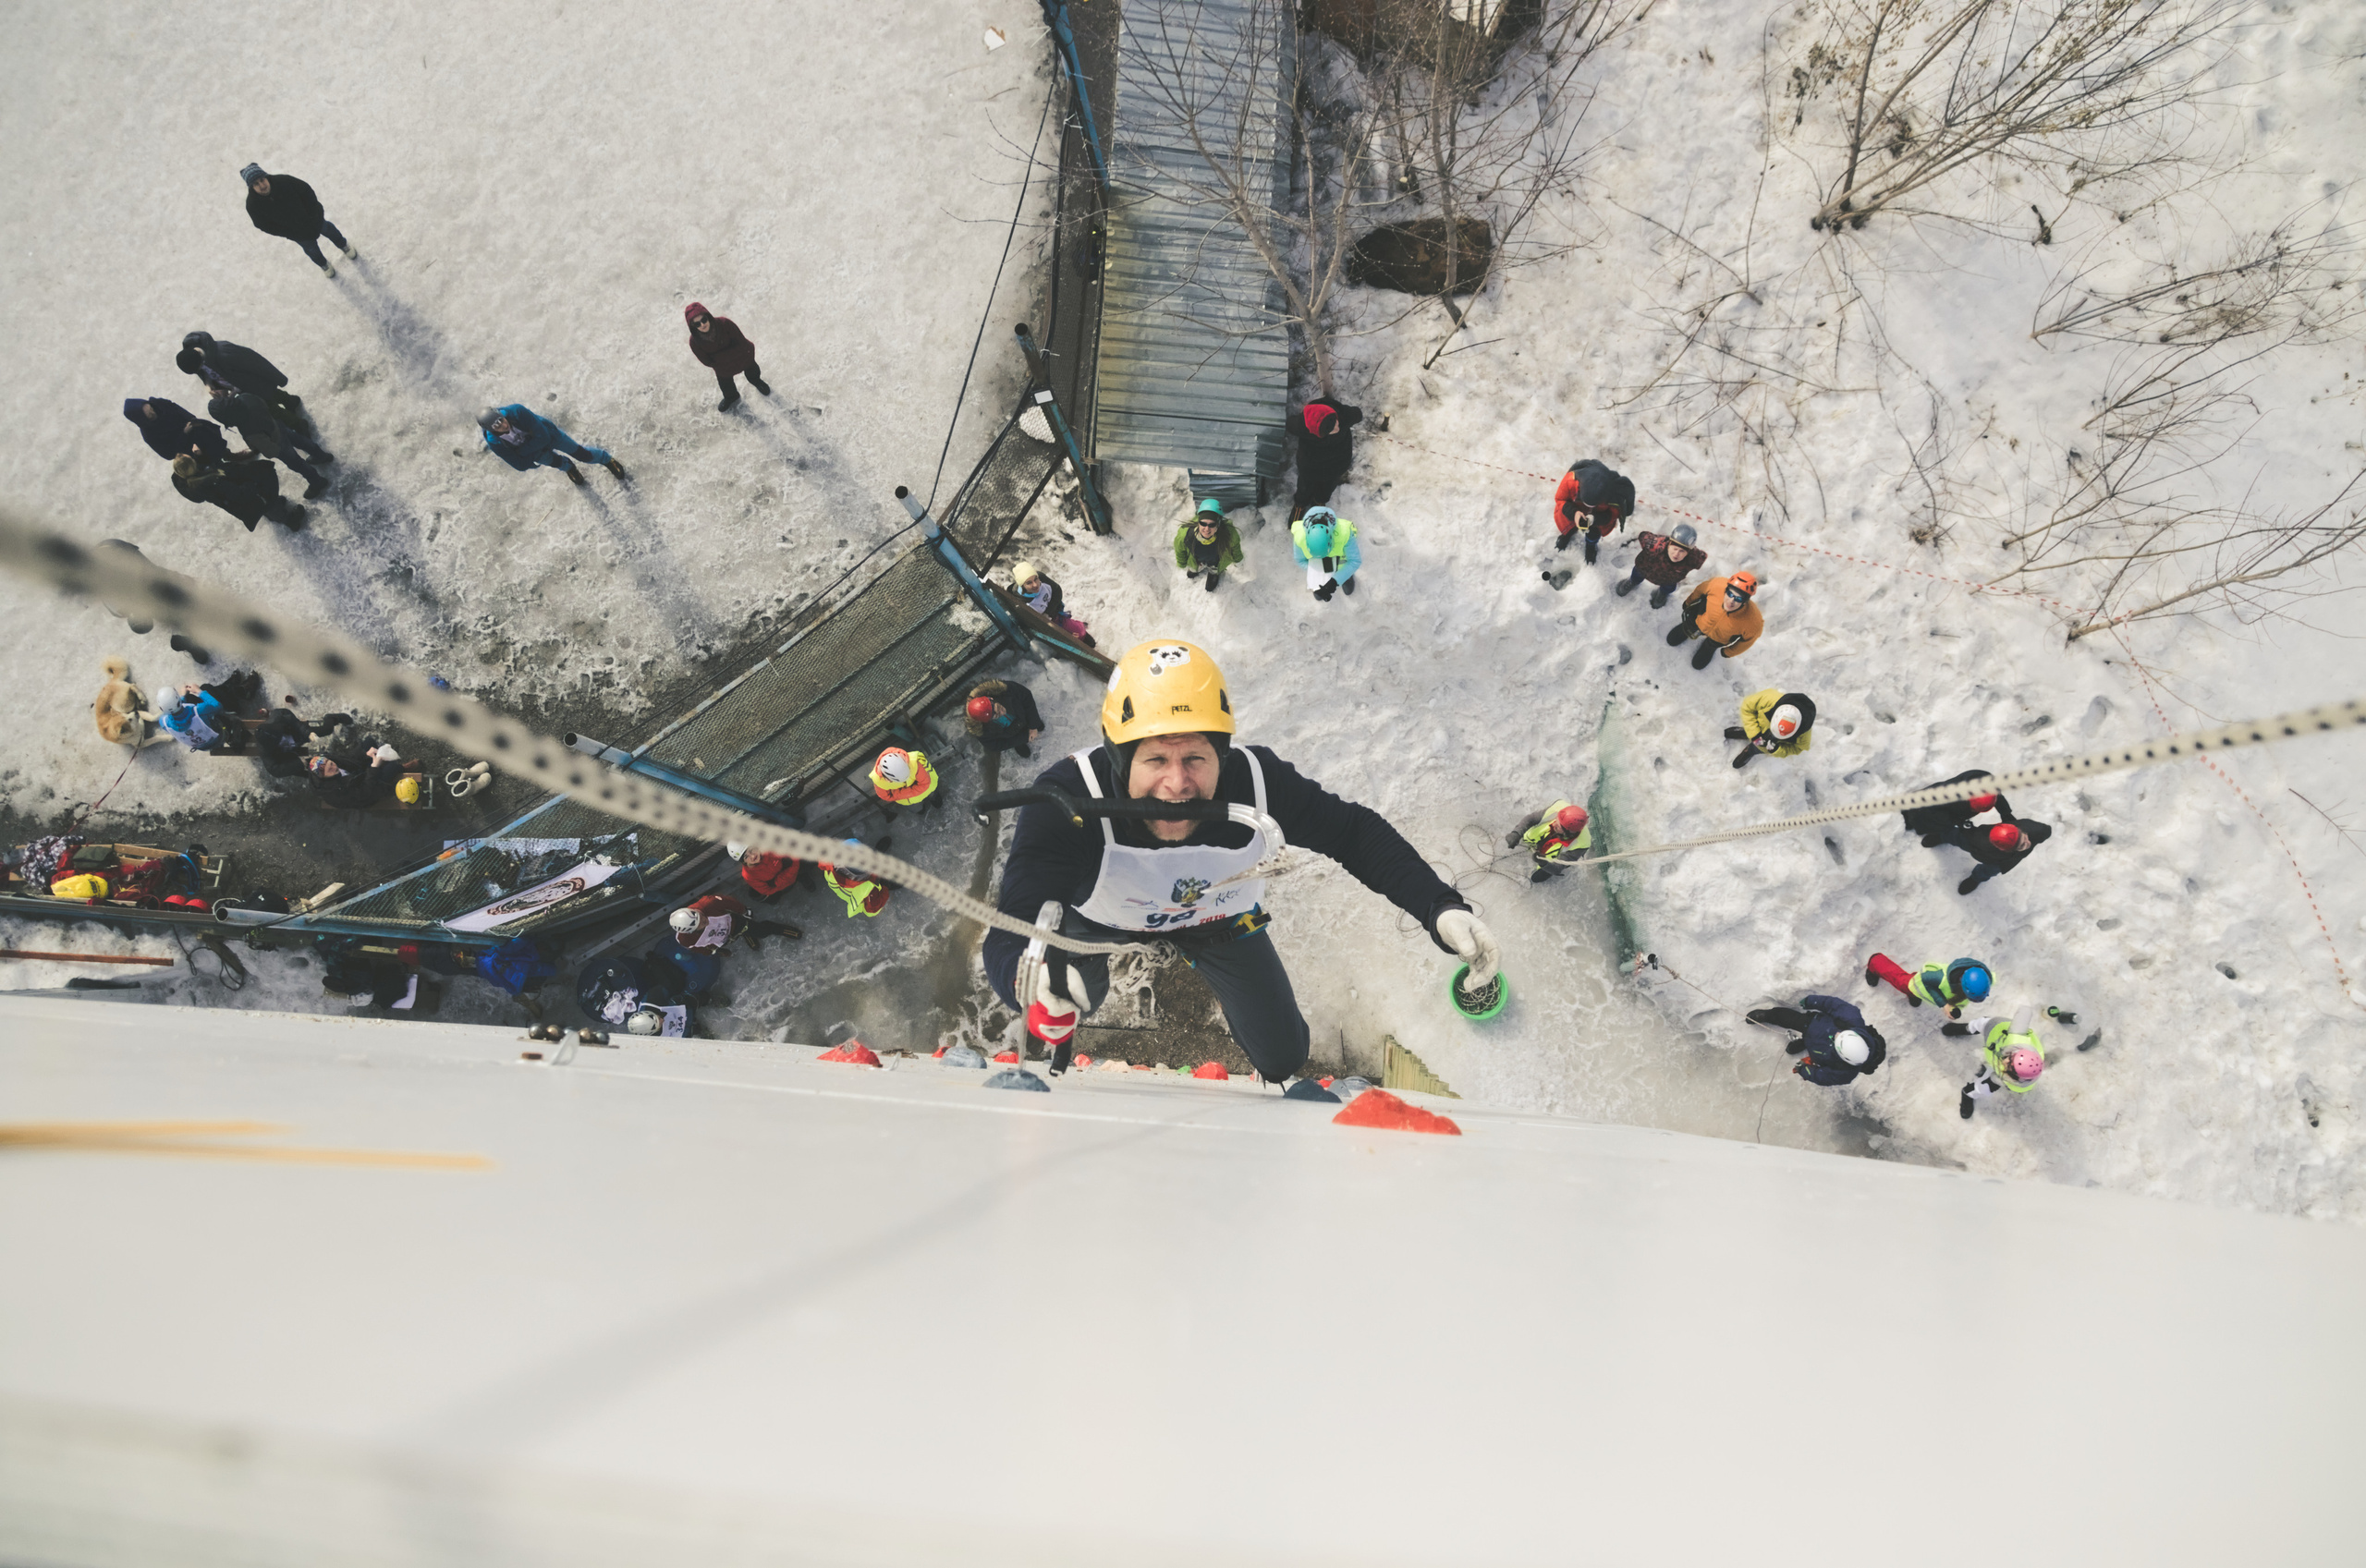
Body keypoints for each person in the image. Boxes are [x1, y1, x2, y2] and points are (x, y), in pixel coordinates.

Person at [982, 639, 1501, 1083]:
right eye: (1156, 759)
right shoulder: (1069, 800)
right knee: (1069, 1000)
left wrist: (1437, 906)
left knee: (1283, 1057)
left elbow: (1353, 832)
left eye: (1196, 758)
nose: (1177, 785)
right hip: (1099, 924)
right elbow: (1016, 916)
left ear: (1222, 755)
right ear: (1121, 758)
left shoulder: (1256, 783)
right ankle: (1077, 981)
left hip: (1217, 921)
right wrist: (1025, 976)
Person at [206, 384, 331, 496]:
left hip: (278, 444)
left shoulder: (248, 430)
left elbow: (269, 451)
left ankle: (317, 482)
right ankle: (321, 456)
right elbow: (263, 404)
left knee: (298, 464)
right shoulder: (245, 397)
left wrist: (276, 451)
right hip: (277, 425)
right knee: (302, 441)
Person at [178, 332, 311, 434]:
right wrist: (208, 384)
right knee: (273, 394)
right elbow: (203, 373)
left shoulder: (225, 353)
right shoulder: (194, 357)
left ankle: (299, 425)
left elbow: (256, 363)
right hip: (241, 386)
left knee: (272, 410)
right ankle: (291, 401)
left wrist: (279, 379)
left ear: (200, 359)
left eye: (199, 367)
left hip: (253, 385)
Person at [1747, 993, 1888, 1087]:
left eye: (1837, 1040)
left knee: (1814, 1048)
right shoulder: (1852, 1018)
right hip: (1814, 1025)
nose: (1838, 1034)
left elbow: (1823, 1077)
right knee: (1788, 1018)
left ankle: (1806, 1043)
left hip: (1820, 1051)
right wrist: (1812, 1001)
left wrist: (1805, 1070)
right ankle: (1767, 1015)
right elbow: (1832, 1004)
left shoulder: (1845, 1073)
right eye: (1842, 1034)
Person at [240, 164, 355, 278]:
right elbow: (263, 225)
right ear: (251, 187)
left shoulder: (283, 181)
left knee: (329, 230)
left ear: (266, 177)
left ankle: (343, 245)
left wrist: (314, 215)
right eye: (256, 184)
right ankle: (323, 264)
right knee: (311, 250)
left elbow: (307, 191)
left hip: (314, 219)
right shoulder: (252, 205)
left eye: (262, 180)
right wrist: (289, 233)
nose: (262, 185)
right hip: (297, 233)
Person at [479, 405, 629, 487]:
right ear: (491, 430)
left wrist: (523, 451)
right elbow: (520, 465)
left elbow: (543, 436)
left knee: (583, 455)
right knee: (558, 463)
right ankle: (569, 467)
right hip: (536, 452)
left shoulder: (517, 411)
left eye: (501, 420)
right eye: (497, 426)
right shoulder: (494, 442)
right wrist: (531, 450)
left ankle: (607, 459)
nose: (503, 425)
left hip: (550, 436)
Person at [171, 451, 305, 531]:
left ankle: (272, 508)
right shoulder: (212, 482)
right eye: (191, 459)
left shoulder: (190, 481)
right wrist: (252, 483)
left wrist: (200, 456)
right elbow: (241, 495)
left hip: (240, 497)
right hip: (251, 496)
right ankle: (290, 521)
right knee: (267, 503)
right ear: (192, 466)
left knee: (267, 504)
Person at [1948, 1014, 2045, 1117]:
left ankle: (1968, 1093)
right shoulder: (2016, 1036)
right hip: (1996, 1030)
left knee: (1984, 1087)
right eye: (2011, 1057)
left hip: (1997, 1064)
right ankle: (1968, 1028)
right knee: (1981, 1024)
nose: (2005, 1061)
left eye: (2010, 1066)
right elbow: (2024, 1014)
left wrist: (1996, 1080)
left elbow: (2000, 1081)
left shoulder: (2019, 1083)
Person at [1667, 571, 1762, 670]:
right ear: (1726, 590)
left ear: (1745, 602)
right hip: (1700, 620)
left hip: (1719, 638)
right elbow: (1700, 590)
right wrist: (1689, 602)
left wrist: (1729, 652)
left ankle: (1709, 647)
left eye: (1738, 599)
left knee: (1709, 649)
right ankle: (1687, 629)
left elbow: (1748, 641)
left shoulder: (1753, 621)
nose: (1731, 601)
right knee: (1688, 627)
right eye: (1730, 594)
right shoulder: (1716, 585)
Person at [686, 302, 770, 411]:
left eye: (704, 320)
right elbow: (706, 360)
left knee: (752, 370)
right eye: (697, 324)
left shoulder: (724, 323)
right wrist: (722, 360)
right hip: (723, 367)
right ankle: (731, 397)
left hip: (742, 356)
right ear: (693, 326)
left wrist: (719, 357)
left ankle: (756, 381)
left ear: (708, 317)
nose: (702, 325)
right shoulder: (694, 341)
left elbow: (741, 342)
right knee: (725, 385)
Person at [1552, 458, 1636, 563]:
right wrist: (1574, 513)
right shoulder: (1570, 481)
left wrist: (1594, 519)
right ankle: (1567, 535)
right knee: (1570, 525)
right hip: (1574, 510)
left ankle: (1590, 546)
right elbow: (1561, 499)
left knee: (1594, 533)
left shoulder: (1614, 495)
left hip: (1598, 519)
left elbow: (1612, 515)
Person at [1290, 399, 1363, 520]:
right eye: (1329, 430)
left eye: (1335, 421)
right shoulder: (1302, 426)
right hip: (1311, 468)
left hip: (1336, 466)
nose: (1337, 428)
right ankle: (1300, 504)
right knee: (1305, 487)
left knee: (1327, 488)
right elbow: (1290, 424)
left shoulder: (1343, 415)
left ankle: (1319, 501)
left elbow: (1357, 414)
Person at [1942, 819, 2053, 896]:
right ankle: (1942, 836)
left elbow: (2046, 831)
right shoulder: (1982, 840)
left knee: (1989, 870)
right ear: (2006, 850)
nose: (2028, 844)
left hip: (2005, 862)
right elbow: (1970, 833)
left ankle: (1975, 879)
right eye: (2021, 846)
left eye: (2025, 838)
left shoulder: (2036, 830)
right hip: (1980, 849)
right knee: (1961, 839)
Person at [1863, 953, 1993, 1017]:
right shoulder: (1940, 978)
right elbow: (1925, 981)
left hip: (1928, 985)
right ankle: (1876, 962)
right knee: (1900, 981)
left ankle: (1914, 995)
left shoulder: (1980, 977)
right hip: (1920, 982)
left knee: (1915, 989)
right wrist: (1944, 1004)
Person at [1900, 768, 2016, 841]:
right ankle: (1910, 819)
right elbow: (1933, 811)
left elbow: (1997, 797)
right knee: (1922, 817)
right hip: (1928, 807)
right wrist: (1957, 821)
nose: (1976, 812)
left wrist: (2006, 813)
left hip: (1955, 811)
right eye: (1976, 809)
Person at [1613, 522, 1706, 607]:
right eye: (1675, 549)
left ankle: (1662, 593)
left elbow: (1702, 557)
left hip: (1668, 579)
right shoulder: (1654, 545)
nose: (1676, 554)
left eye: (1682, 551)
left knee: (1669, 588)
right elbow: (1643, 536)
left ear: (1688, 553)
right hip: (1645, 569)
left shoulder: (1692, 559)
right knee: (1637, 575)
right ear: (1669, 544)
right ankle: (1633, 581)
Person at [668, 891, 799, 950]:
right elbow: (697, 947)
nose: (704, 920)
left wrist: (743, 911)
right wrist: (714, 951)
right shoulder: (685, 939)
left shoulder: (709, 903)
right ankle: (747, 935)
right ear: (691, 931)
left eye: (700, 916)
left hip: (736, 924)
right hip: (723, 938)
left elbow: (729, 902)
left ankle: (777, 929)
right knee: (742, 934)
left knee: (761, 932)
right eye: (700, 924)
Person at [1726, 689, 1816, 770]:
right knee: (1751, 730)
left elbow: (1796, 749)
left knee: (1758, 748)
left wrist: (1777, 750)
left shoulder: (1804, 736)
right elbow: (1747, 707)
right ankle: (1747, 733)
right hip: (1759, 727)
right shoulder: (1769, 699)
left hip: (1769, 745)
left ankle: (1750, 750)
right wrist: (1755, 734)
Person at [1506, 800, 1592, 883]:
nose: (1553, 824)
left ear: (1567, 833)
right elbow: (1531, 819)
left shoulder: (1582, 844)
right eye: (1556, 820)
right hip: (1539, 838)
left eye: (1557, 827)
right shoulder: (1559, 808)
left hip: (1551, 860)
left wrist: (1543, 863)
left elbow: (1558, 867)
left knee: (1537, 878)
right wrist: (1516, 833)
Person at [124, 397, 229, 465]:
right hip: (189, 449)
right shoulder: (149, 435)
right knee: (211, 461)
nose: (153, 412)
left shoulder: (157, 403)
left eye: (150, 408)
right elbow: (168, 454)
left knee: (216, 444)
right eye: (149, 414)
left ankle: (228, 455)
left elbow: (174, 407)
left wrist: (191, 418)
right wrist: (184, 434)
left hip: (196, 430)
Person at [1011, 562, 1093, 645]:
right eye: (1029, 583)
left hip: (1056, 614)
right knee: (1083, 640)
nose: (1035, 584)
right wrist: (1066, 636)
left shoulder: (1041, 578)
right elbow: (1031, 625)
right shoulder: (1020, 602)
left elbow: (1057, 590)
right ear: (1022, 586)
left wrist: (1048, 613)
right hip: (1048, 627)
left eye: (1036, 579)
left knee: (1088, 640)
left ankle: (1076, 625)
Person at [1291, 505, 1361, 602]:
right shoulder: (1299, 538)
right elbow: (1300, 560)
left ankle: (1346, 576)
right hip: (1322, 562)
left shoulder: (1345, 533)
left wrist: (1334, 582)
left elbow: (1354, 561)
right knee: (1320, 591)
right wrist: (1317, 573)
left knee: (1344, 564)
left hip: (1341, 555)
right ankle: (1329, 576)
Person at [1174, 498, 1244, 593]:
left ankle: (1213, 572)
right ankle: (1197, 567)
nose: (1207, 529)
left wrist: (1238, 559)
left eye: (1212, 524)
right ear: (1198, 523)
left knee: (1214, 566)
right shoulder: (1186, 535)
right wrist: (1182, 563)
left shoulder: (1229, 534)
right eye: (1203, 523)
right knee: (1194, 566)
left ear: (1218, 524)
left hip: (1216, 560)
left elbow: (1235, 547)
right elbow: (1180, 549)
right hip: (1197, 558)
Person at [306, 741, 406, 807]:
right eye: (330, 770)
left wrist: (365, 755)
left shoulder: (332, 761)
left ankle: (384, 760)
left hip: (359, 775)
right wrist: (374, 768)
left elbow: (349, 760)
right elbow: (365, 793)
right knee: (393, 767)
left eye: (331, 764)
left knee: (368, 742)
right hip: (366, 793)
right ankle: (405, 767)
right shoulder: (335, 793)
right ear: (323, 777)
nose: (334, 767)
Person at [966, 679, 1044, 759]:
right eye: (997, 715)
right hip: (1012, 734)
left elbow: (1027, 698)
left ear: (991, 699)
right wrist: (1024, 737)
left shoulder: (1006, 689)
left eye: (998, 707)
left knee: (1034, 722)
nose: (1003, 712)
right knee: (1015, 736)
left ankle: (1033, 723)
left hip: (1022, 717)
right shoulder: (981, 731)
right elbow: (997, 745)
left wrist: (1033, 725)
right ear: (986, 721)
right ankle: (1019, 744)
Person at [823, 840, 894, 918]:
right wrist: (885, 886)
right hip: (864, 891)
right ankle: (885, 881)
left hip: (835, 880)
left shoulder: (830, 861)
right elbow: (872, 909)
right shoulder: (869, 891)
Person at [869, 746, 941, 817]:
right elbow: (885, 797)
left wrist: (898, 794)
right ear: (886, 779)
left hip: (910, 799)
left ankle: (933, 798)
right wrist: (916, 790)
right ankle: (924, 806)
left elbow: (926, 783)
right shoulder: (878, 780)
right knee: (919, 809)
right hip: (917, 796)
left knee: (931, 795)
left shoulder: (913, 762)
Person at [728, 841, 804, 901]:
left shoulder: (770, 847)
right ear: (744, 862)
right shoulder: (748, 875)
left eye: (751, 850)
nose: (752, 856)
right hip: (783, 887)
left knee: (803, 870)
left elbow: (793, 857)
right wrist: (789, 874)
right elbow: (766, 891)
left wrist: (776, 882)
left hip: (795, 873)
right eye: (746, 857)